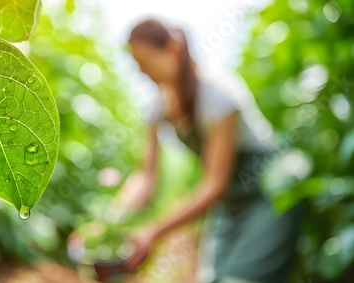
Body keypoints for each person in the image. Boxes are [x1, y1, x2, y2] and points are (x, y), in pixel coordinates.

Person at [122, 19, 303, 283]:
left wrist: (154, 231)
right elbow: (145, 178)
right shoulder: (158, 107)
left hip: (267, 193)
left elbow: (214, 184)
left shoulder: (218, 96)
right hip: (230, 203)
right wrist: (108, 223)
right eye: (137, 65)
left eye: (146, 62)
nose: (143, 72)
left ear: (172, 49)